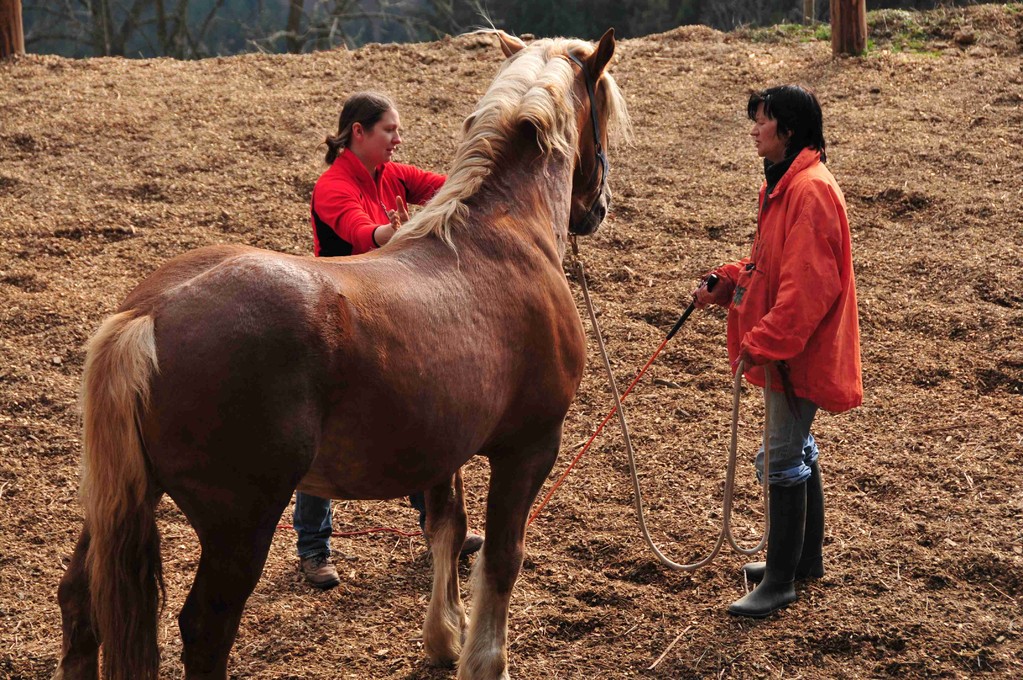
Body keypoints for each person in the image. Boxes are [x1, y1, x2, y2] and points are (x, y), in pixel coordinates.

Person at [297, 91, 483, 590]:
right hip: (336, 319)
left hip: (385, 310)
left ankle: (436, 523)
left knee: (413, 414)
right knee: (321, 435)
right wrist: (400, 234)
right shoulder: (332, 186)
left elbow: (447, 186)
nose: (398, 140)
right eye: (389, 131)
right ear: (359, 132)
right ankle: (313, 550)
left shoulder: (393, 175)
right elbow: (362, 234)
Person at [692, 85, 862, 618]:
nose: (753, 130)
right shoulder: (787, 187)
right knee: (795, 450)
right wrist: (728, 283)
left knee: (783, 457)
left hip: (797, 355)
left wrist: (761, 342)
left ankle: (781, 580)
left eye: (761, 122)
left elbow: (807, 292)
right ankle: (802, 561)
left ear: (786, 130)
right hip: (793, 352)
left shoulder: (808, 193)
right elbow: (771, 269)